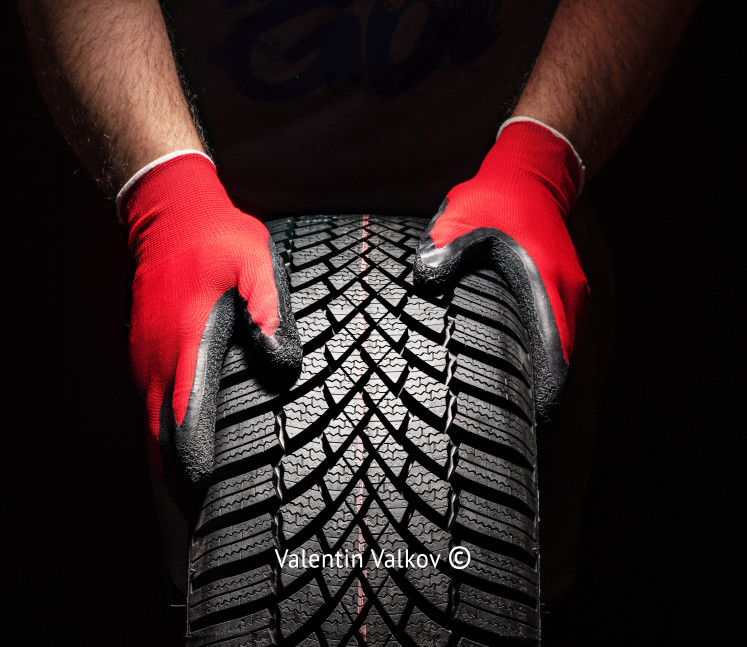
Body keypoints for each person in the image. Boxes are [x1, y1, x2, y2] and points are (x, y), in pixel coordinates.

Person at [16, 0, 696, 604]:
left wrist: (543, 160)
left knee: (506, 624)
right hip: (211, 253)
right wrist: (165, 195)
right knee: (231, 621)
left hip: (511, 237)